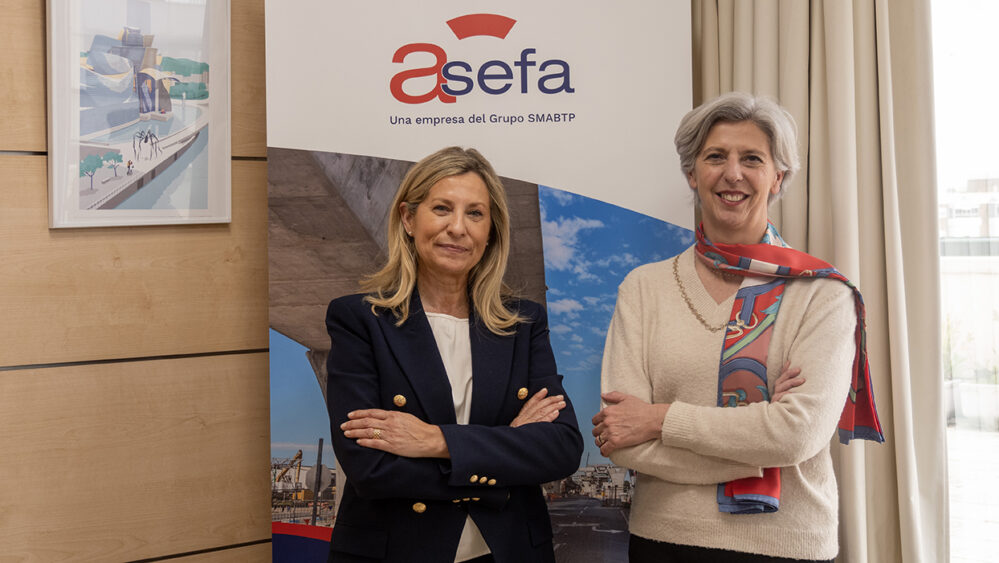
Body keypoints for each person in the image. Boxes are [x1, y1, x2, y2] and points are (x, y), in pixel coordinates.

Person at [591, 92, 883, 562]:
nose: (733, 173)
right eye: (715, 157)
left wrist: (661, 419)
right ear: (692, 173)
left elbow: (797, 436)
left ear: (777, 177)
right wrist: (759, 448)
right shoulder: (643, 289)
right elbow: (623, 440)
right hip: (664, 539)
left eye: (752, 159)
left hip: (787, 545)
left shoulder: (822, 293)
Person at [325, 146, 584, 563]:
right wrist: (506, 456)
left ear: (491, 230)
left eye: (475, 213)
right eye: (442, 208)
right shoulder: (359, 319)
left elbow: (562, 448)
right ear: (409, 218)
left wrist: (435, 440)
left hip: (509, 552)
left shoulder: (523, 323)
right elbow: (369, 467)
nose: (458, 228)